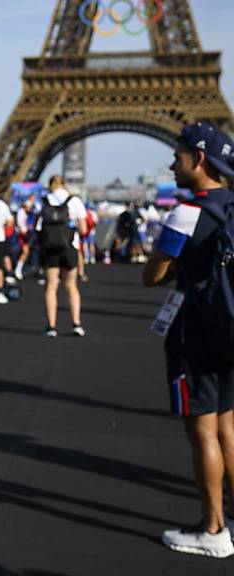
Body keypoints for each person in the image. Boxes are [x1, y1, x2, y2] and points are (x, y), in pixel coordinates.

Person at [144, 122, 234, 558]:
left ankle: (214, 530)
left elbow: (152, 274)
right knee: (229, 428)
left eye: (178, 156)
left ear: (199, 159)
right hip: (231, 332)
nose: (172, 162)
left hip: (194, 334)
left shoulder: (186, 212)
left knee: (203, 434)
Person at [36, 175, 87, 338]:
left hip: (50, 248)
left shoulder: (43, 200)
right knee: (71, 286)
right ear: (64, 185)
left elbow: (36, 226)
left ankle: (51, 326)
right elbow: (84, 229)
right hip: (69, 247)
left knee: (51, 286)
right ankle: (76, 323)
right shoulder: (74, 201)